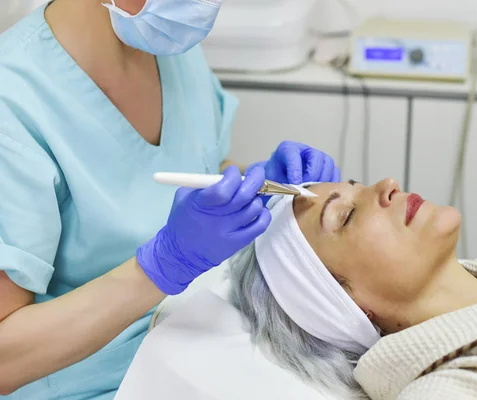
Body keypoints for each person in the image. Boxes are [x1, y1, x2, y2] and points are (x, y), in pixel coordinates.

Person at [0, 0, 341, 398]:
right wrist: (161, 266)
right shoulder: (15, 104)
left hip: (195, 345)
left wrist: (261, 188)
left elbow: (199, 161)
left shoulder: (167, 47)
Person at [229, 179, 477, 399]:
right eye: (347, 215)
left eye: (356, 185)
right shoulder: (451, 390)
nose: (387, 184)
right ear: (346, 305)